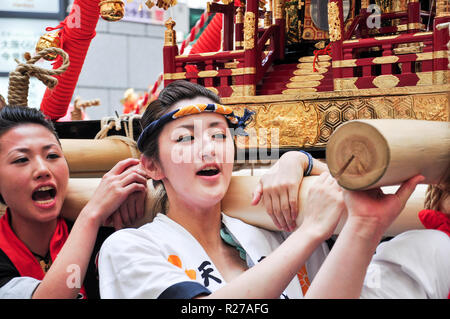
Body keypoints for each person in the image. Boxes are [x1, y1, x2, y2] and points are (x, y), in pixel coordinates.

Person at [98, 80, 450, 299]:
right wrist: (310, 231)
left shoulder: (269, 219)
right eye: (186, 138)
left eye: (220, 135)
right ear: (152, 165)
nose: (209, 148)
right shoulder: (131, 247)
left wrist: (303, 162)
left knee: (429, 247)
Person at [0, 105, 148, 299]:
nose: (43, 169)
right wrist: (91, 214)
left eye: (52, 156)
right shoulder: (93, 216)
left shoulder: (109, 232)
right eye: (21, 159)